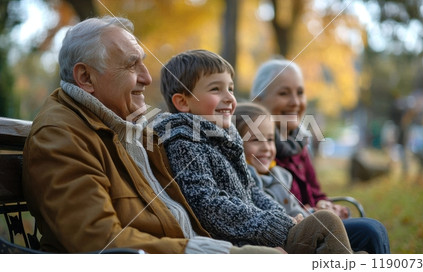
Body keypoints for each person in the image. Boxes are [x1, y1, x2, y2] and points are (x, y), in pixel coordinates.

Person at [22, 16, 281, 254]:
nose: (147, 77)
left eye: (143, 63)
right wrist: (223, 254)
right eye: (131, 66)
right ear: (86, 77)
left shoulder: (126, 126)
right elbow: (100, 241)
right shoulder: (61, 136)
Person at [153, 49, 354, 254]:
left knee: (354, 247)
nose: (230, 98)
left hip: (259, 234)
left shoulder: (223, 138)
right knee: (325, 222)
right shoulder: (184, 143)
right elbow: (209, 205)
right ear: (182, 102)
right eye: (216, 89)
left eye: (230, 89)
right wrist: (274, 226)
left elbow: (251, 190)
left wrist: (281, 218)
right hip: (238, 245)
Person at [250, 58, 391, 254]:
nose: (295, 102)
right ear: (259, 101)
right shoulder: (254, 151)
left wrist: (326, 205)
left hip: (317, 227)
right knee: (370, 231)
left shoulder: (299, 146)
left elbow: (316, 195)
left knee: (371, 232)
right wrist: (313, 212)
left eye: (300, 93)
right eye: (284, 93)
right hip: (287, 237)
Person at [235, 102, 308, 218]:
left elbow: (295, 210)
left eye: (270, 139)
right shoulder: (243, 181)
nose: (266, 148)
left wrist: (314, 214)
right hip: (285, 233)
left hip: (304, 229)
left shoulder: (281, 175)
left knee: (329, 218)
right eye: (256, 140)